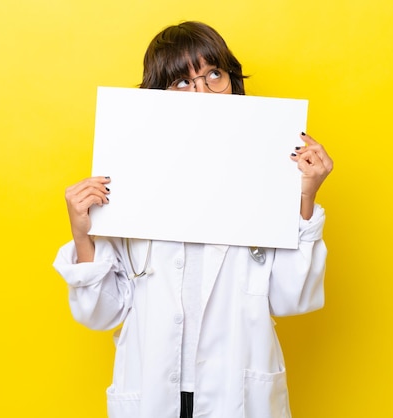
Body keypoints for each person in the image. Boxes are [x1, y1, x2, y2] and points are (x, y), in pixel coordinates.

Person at [53, 21, 333, 418]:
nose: (202, 92)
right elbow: (99, 314)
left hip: (237, 396)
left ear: (233, 83)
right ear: (157, 98)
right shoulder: (130, 184)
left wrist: (304, 198)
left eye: (213, 75)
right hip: (151, 393)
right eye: (182, 83)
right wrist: (83, 236)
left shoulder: (266, 179)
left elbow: (292, 298)